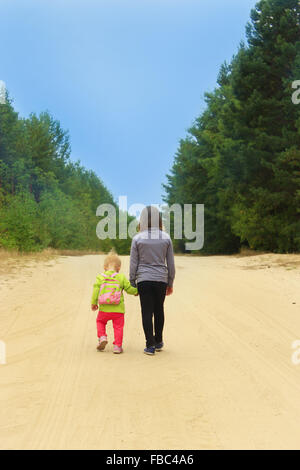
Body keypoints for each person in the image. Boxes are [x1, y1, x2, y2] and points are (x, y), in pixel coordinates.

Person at [130, 206, 175, 355]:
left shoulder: (137, 238)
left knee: (146, 312)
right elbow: (171, 264)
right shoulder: (166, 238)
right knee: (159, 309)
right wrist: (170, 282)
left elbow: (133, 263)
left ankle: (149, 345)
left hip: (143, 279)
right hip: (161, 279)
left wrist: (132, 282)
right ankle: (159, 341)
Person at [91, 249, 138, 354]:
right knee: (118, 327)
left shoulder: (100, 277)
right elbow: (129, 288)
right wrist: (136, 291)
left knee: (100, 321)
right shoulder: (121, 277)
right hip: (118, 310)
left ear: (104, 267)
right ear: (119, 268)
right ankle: (117, 346)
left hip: (104, 309)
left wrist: (94, 303)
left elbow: (95, 290)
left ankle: (102, 337)